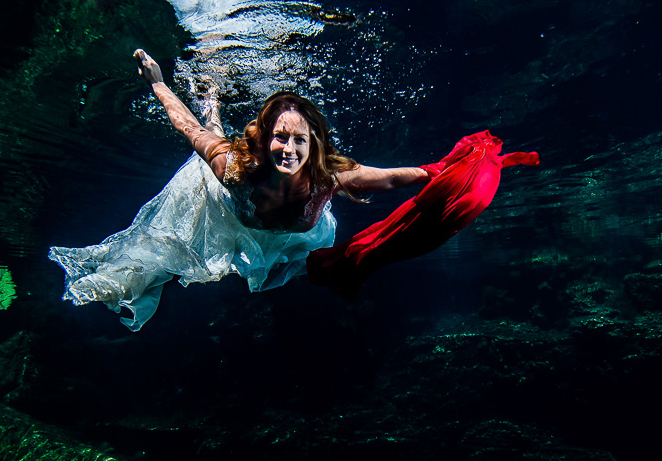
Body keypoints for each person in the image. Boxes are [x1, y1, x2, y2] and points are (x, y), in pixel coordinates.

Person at [47, 49, 433, 330]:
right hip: (218, 211)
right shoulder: (234, 169)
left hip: (284, 236)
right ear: (266, 140)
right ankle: (210, 101)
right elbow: (187, 128)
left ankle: (214, 105)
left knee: (301, 266)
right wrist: (159, 83)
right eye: (281, 137)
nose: (289, 149)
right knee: (206, 140)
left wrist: (437, 172)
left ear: (313, 145)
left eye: (300, 140)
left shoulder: (327, 177)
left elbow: (392, 178)